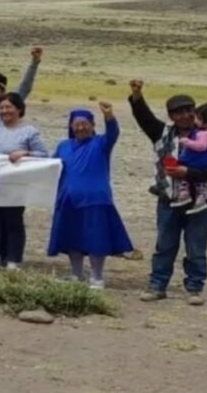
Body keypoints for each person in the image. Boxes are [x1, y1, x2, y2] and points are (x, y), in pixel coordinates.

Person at [128, 80, 207, 306]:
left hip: (200, 202)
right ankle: (157, 286)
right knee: (165, 245)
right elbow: (143, 117)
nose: (184, 116)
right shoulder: (161, 133)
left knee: (196, 247)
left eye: (188, 110)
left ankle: (195, 288)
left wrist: (188, 172)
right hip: (168, 200)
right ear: (171, 116)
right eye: (178, 112)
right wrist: (136, 95)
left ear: (195, 111)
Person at [0, 69, 49, 270]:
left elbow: (44, 155)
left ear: (19, 109)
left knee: (13, 221)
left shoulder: (28, 131)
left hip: (14, 183)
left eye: (9, 107)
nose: (4, 111)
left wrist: (25, 154)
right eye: (2, 107)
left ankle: (13, 260)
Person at [48, 102, 133, 290]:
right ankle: (76, 275)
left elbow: (113, 132)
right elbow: (49, 166)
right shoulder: (63, 146)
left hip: (96, 200)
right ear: (71, 126)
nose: (80, 127)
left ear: (93, 125)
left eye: (85, 123)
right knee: (73, 239)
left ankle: (97, 277)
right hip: (68, 200)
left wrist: (109, 116)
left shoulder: (101, 143)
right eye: (77, 124)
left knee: (96, 239)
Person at [172, 102, 207, 215]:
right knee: (201, 183)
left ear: (205, 120)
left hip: (196, 160)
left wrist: (186, 141)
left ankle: (184, 193)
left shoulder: (204, 133)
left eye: (197, 118)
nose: (194, 120)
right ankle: (200, 197)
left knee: (180, 168)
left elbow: (201, 146)